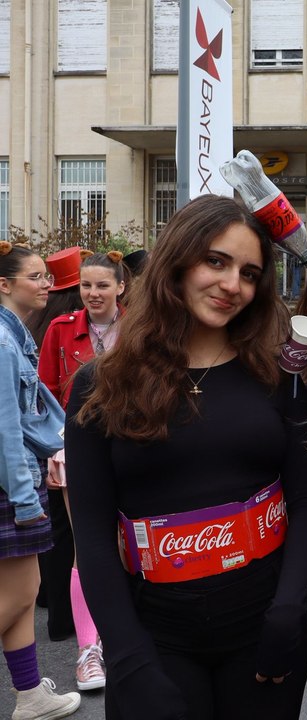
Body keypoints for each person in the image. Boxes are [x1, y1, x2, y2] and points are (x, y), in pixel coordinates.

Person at [64, 194, 307, 719]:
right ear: (177, 260)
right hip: (156, 641)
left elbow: (306, 500)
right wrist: (128, 655)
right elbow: (91, 534)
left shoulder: (279, 375)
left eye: (250, 273)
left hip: (263, 638)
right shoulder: (103, 384)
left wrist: (289, 611)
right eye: (216, 261)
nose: (233, 285)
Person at [38, 251, 128, 691]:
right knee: (87, 548)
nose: (93, 294)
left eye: (102, 286)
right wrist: (57, 449)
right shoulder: (60, 330)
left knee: (131, 544)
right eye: (86, 286)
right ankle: (88, 652)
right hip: (76, 450)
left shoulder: (140, 327)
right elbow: (46, 396)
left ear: (120, 288)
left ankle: (126, 639)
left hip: (134, 449)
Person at [0, 241, 82, 719]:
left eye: (46, 276)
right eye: (36, 276)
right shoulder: (6, 342)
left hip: (15, 484)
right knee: (20, 595)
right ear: (5, 286)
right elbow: (7, 430)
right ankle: (30, 695)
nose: (47, 284)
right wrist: (26, 501)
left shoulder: (15, 336)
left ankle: (30, 695)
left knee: (24, 595)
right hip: (12, 489)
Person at [26, 246, 84, 644]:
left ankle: (57, 609)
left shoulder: (35, 321)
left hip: (47, 439)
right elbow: (46, 386)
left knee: (60, 531)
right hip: (62, 438)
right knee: (76, 531)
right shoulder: (59, 327)